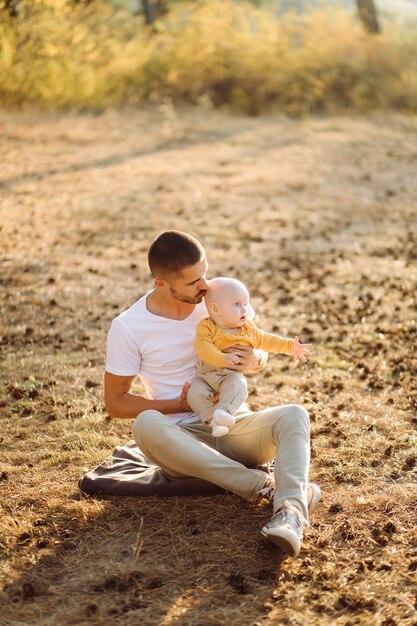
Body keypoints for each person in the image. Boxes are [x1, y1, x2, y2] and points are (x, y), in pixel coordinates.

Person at [104, 230, 320, 557]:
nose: (204, 285)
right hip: (181, 439)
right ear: (162, 283)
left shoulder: (218, 298)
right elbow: (115, 402)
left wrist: (254, 360)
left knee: (295, 414)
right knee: (144, 423)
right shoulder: (129, 327)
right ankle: (265, 487)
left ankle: (289, 514)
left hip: (233, 427)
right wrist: (175, 404)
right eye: (193, 282)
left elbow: (256, 346)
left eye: (204, 273)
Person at [187, 277, 311, 437]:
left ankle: (224, 412)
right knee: (194, 393)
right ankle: (212, 421)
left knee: (238, 385)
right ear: (215, 309)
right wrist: (222, 358)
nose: (245, 310)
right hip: (205, 376)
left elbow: (268, 340)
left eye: (245, 304)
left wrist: (290, 347)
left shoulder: (248, 329)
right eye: (237, 305)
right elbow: (203, 347)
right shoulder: (206, 327)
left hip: (229, 376)